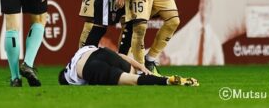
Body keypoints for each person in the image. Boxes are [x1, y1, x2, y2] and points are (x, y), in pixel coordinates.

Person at [58, 46, 198, 86]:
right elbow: (120, 55)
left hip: (90, 68)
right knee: (132, 71)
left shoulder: (69, 75)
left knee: (131, 80)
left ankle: (166, 80)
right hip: (102, 52)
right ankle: (154, 75)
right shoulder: (80, 51)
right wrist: (141, 66)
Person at [162, 0, 224, 65]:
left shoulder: (214, 40)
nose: (203, 5)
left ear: (210, 8)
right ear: (199, 6)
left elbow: (220, 64)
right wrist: (169, 60)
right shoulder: (191, 32)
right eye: (202, 2)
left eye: (206, 2)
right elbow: (184, 53)